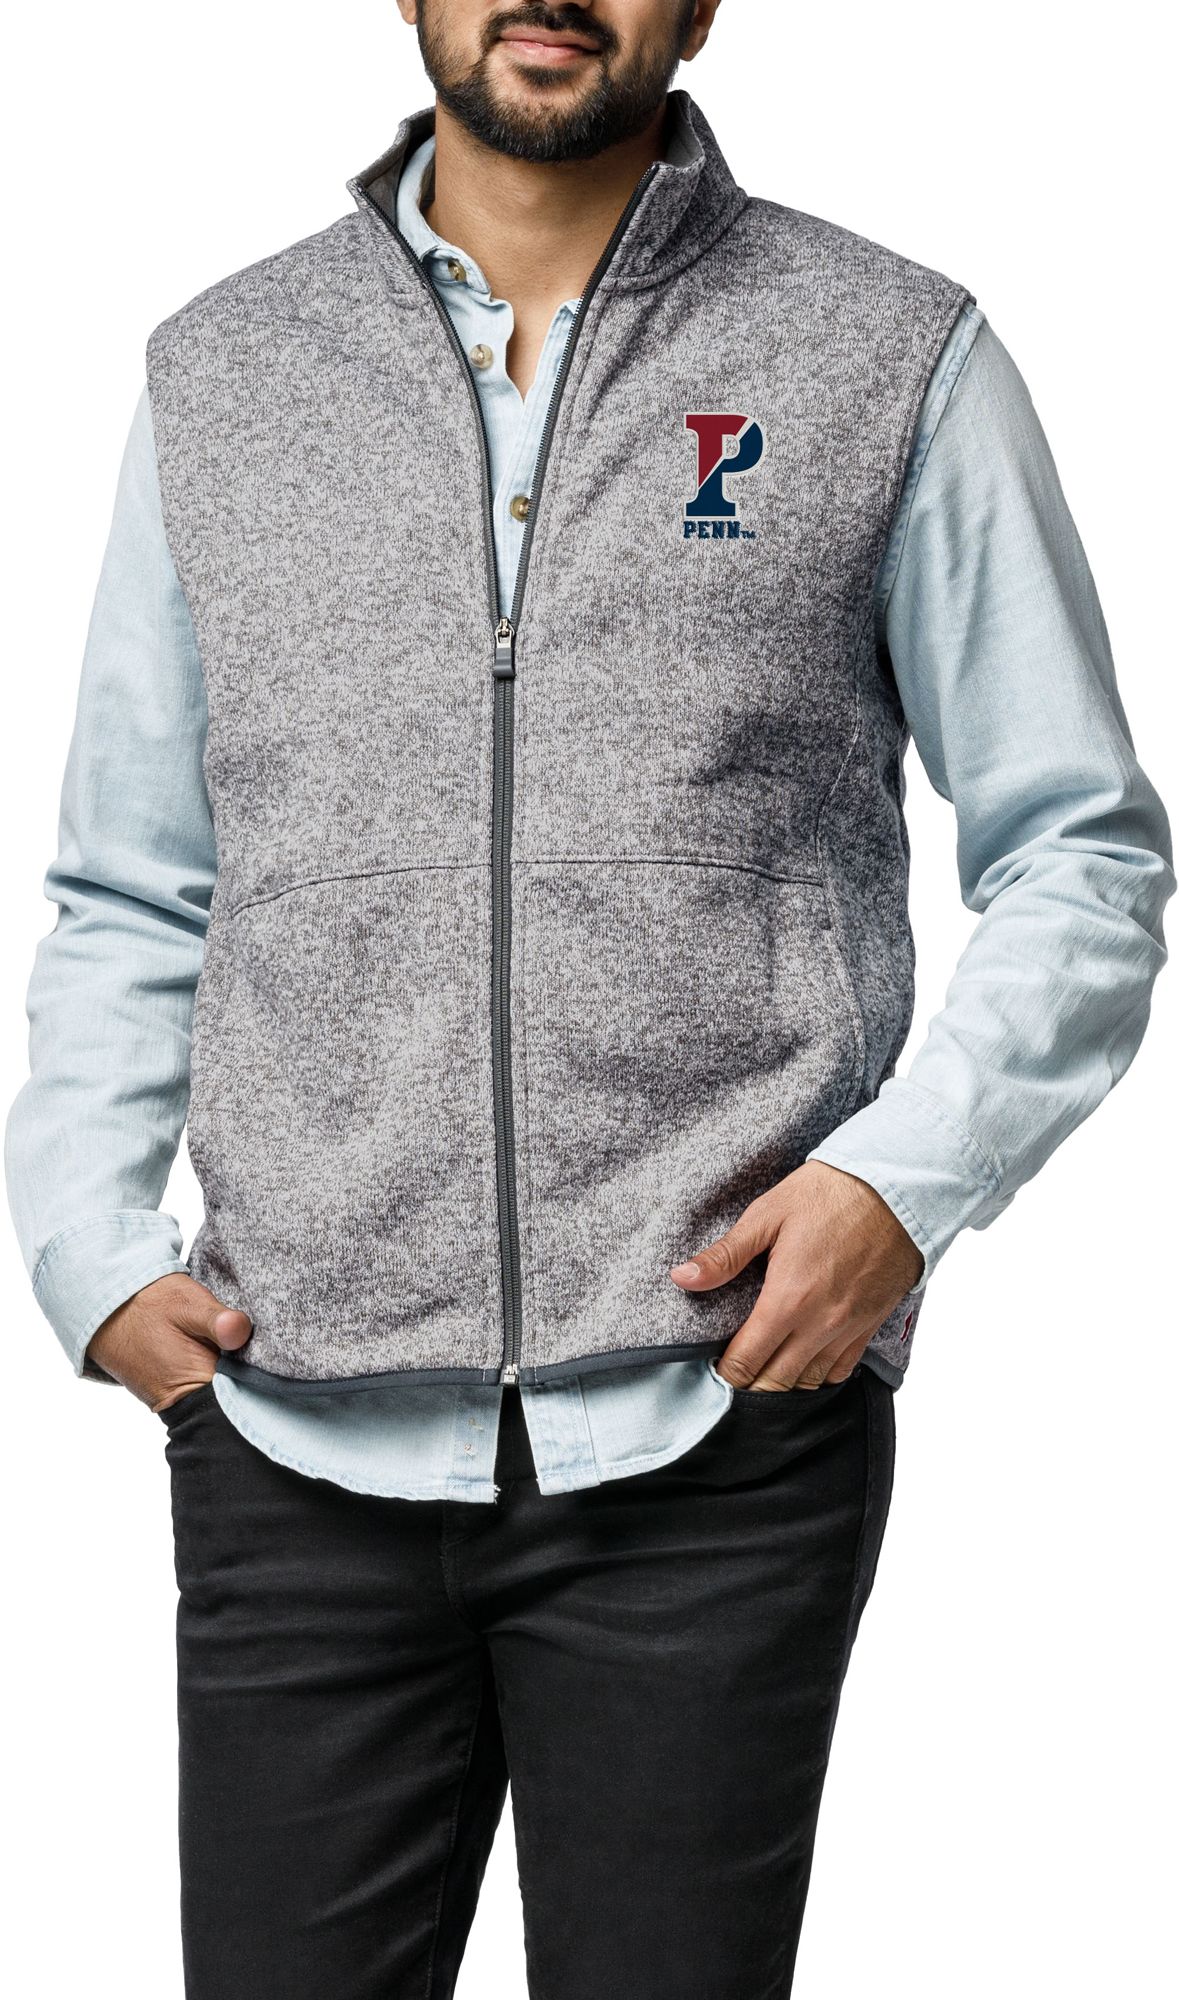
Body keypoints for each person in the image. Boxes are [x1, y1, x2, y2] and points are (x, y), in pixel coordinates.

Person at [6, 1, 1173, 1993]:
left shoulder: (887, 349)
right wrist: (84, 1251)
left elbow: (1079, 848)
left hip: (717, 1425)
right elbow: (134, 877)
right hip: (289, 1424)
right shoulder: (221, 371)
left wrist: (900, 1188)